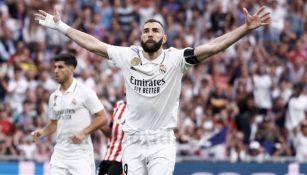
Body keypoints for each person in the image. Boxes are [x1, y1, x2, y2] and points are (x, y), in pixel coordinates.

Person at [34, 6, 271, 175]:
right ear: (140, 36)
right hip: (133, 142)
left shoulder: (177, 58)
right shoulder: (129, 55)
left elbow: (212, 48)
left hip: (161, 142)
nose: (150, 34)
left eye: (155, 31)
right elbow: (94, 45)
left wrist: (244, 30)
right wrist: (62, 27)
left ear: (164, 37)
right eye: (146, 30)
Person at [31, 53, 108, 175]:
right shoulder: (53, 96)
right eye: (55, 67)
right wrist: (42, 132)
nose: (56, 71)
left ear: (71, 69)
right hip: (60, 154)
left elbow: (103, 117)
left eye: (60, 67)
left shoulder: (85, 92)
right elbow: (53, 123)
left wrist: (84, 132)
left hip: (81, 154)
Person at [98, 100, 126, 175]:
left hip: (121, 160)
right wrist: (98, 123)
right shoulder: (118, 104)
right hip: (108, 157)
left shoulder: (138, 109)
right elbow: (110, 133)